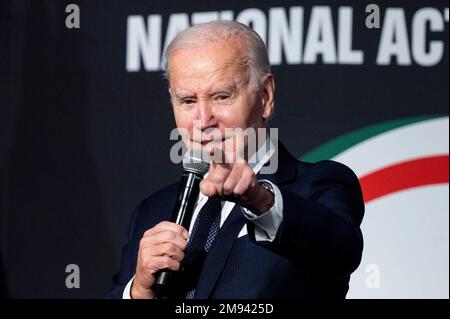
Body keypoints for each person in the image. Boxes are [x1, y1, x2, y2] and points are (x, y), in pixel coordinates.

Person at [106, 21, 364, 299]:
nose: (203, 121)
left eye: (222, 96)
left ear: (265, 96)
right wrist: (140, 291)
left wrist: (260, 199)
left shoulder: (320, 185)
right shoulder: (152, 211)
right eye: (188, 101)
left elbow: (342, 250)